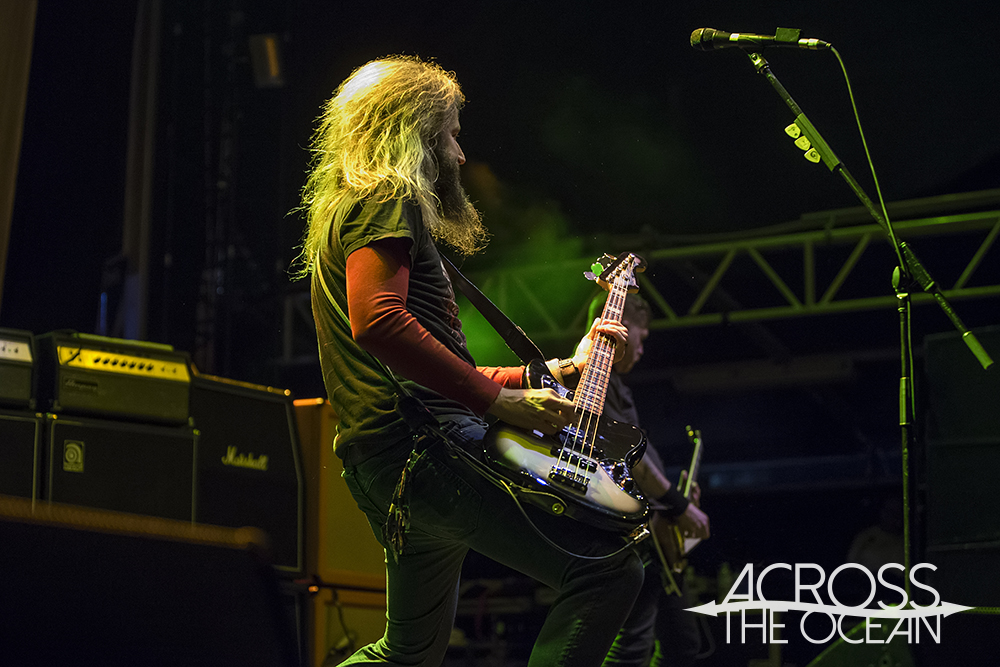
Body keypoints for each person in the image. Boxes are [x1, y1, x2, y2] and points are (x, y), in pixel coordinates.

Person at [296, 55, 645, 667]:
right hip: (424, 452)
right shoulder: (388, 196)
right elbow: (378, 322)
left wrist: (550, 373)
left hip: (392, 458)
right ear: (416, 130)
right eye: (453, 133)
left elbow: (422, 373)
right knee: (608, 568)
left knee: (408, 654)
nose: (459, 155)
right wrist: (496, 401)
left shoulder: (353, 209)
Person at [598, 293, 711, 667]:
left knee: (682, 644)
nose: (643, 350)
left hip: (656, 537)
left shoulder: (617, 386)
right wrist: (680, 507)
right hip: (633, 536)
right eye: (642, 339)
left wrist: (675, 499)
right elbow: (630, 461)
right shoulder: (596, 381)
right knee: (632, 646)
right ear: (624, 330)